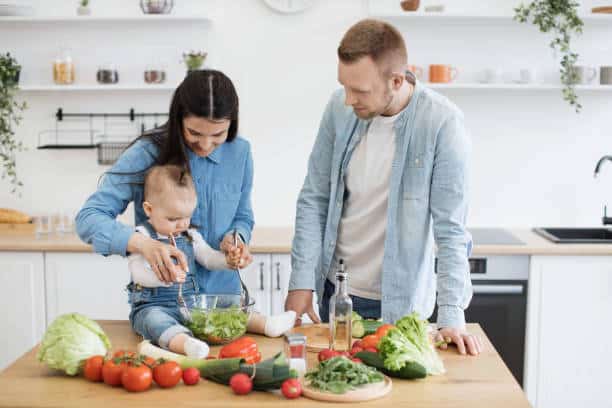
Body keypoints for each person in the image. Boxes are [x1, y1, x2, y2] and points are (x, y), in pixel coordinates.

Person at [285, 19, 481, 355]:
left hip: (401, 306)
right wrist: (302, 280)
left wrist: (452, 315)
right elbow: (314, 198)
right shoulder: (338, 109)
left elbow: (451, 231)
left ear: (396, 80)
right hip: (337, 294)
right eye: (344, 86)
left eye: (359, 91)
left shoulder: (442, 124)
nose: (348, 100)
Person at [77, 70, 255, 308]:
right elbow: (89, 219)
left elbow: (242, 216)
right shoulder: (146, 152)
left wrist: (235, 239)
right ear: (178, 117)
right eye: (194, 133)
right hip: (165, 304)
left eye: (218, 135)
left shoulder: (240, 152)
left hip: (225, 301)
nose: (205, 145)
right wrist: (142, 244)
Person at [127, 164, 295, 357]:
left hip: (191, 306)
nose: (181, 224)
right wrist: (163, 278)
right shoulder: (142, 236)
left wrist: (228, 261)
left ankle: (267, 324)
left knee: (228, 307)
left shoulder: (189, 235)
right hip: (153, 306)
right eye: (173, 218)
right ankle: (186, 345)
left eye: (186, 217)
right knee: (154, 321)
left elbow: (207, 258)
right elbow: (137, 272)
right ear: (149, 209)